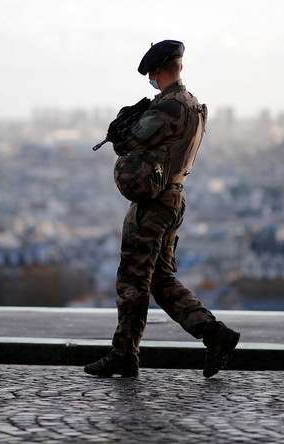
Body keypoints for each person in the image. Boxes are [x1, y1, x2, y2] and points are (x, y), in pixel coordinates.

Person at [84, 40, 240, 378]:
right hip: (174, 197)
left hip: (153, 203)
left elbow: (128, 142)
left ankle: (124, 354)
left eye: (151, 75)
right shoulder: (196, 106)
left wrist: (119, 128)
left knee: (132, 279)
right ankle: (214, 334)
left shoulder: (169, 107)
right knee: (159, 278)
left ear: (157, 71)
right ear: (180, 66)